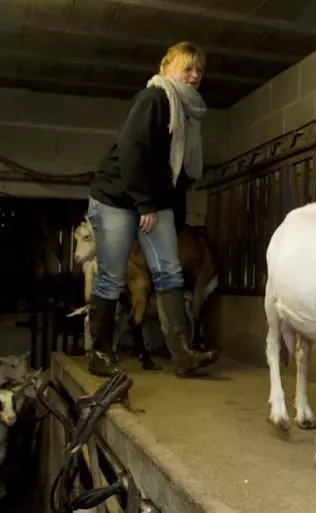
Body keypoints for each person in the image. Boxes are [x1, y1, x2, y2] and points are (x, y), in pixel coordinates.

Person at [85, 41, 219, 378]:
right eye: (187, 68)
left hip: (155, 201)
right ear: (166, 66)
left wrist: (173, 220)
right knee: (112, 276)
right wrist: (143, 203)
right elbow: (132, 150)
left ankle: (183, 354)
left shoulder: (188, 114)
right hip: (116, 195)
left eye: (199, 71)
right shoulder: (155, 98)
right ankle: (100, 353)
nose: (194, 75)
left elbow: (178, 177)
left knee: (170, 271)